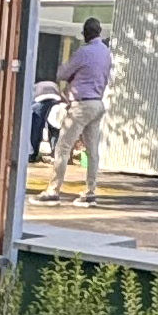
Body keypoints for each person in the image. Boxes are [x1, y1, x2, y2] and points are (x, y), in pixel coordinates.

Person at [41, 17, 113, 203]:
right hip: (97, 103)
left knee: (63, 147)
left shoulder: (83, 52)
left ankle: (53, 190)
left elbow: (62, 74)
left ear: (86, 33)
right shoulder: (106, 53)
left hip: (81, 105)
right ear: (99, 32)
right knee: (92, 150)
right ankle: (90, 191)